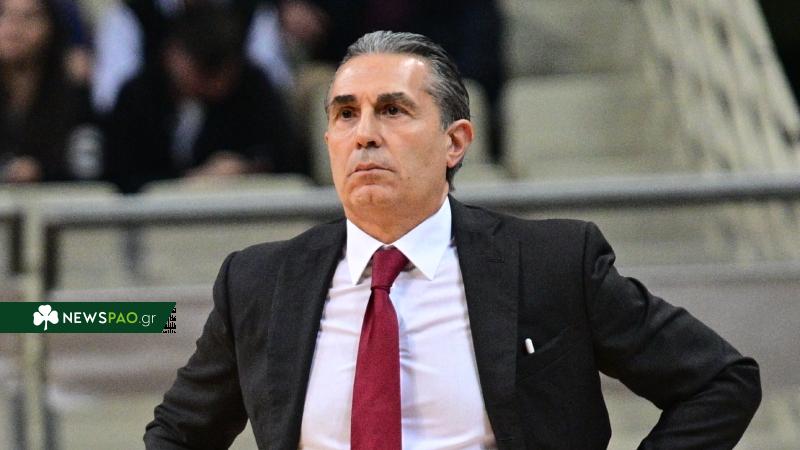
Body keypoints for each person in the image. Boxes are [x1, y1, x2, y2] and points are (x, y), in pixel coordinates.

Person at [145, 31, 761, 449]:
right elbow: (177, 434)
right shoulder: (260, 281)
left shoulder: (552, 264)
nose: (365, 134)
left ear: (455, 142)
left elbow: (719, 381)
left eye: (393, 110)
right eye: (345, 114)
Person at [102, 4, 304, 194]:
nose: (213, 84)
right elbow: (120, 172)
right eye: (203, 71)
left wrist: (246, 166)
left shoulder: (252, 87)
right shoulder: (137, 95)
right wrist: (186, 182)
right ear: (174, 56)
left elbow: (283, 153)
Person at [0, 0, 99, 182]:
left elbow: (88, 165)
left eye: (29, 17)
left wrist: (43, 171)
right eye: (3, 15)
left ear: (51, 26)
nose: (13, 28)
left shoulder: (72, 94)